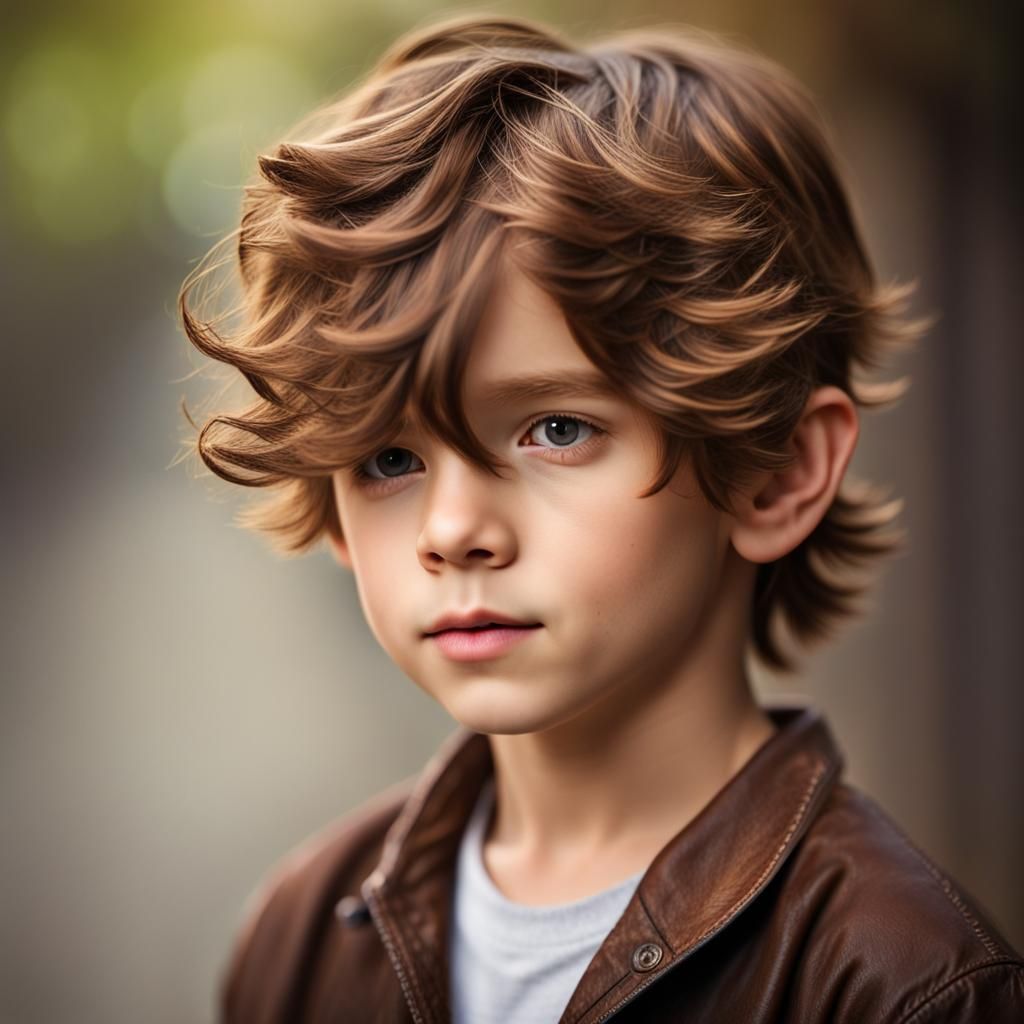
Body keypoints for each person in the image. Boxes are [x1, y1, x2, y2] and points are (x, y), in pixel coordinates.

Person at [177, 13, 1024, 1022]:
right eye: (388, 458)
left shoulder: (898, 984)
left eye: (556, 429)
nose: (454, 529)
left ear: (776, 472)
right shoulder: (304, 934)